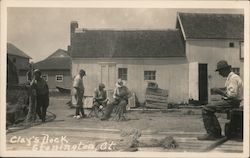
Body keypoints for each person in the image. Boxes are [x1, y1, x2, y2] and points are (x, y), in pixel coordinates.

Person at [198, 60, 243, 140]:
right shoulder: (231, 78)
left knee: (206, 108)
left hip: (233, 102)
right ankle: (215, 133)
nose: (219, 73)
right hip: (233, 101)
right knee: (209, 107)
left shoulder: (233, 79)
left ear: (225, 70)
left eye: (220, 71)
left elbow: (232, 95)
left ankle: (212, 133)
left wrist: (220, 92)